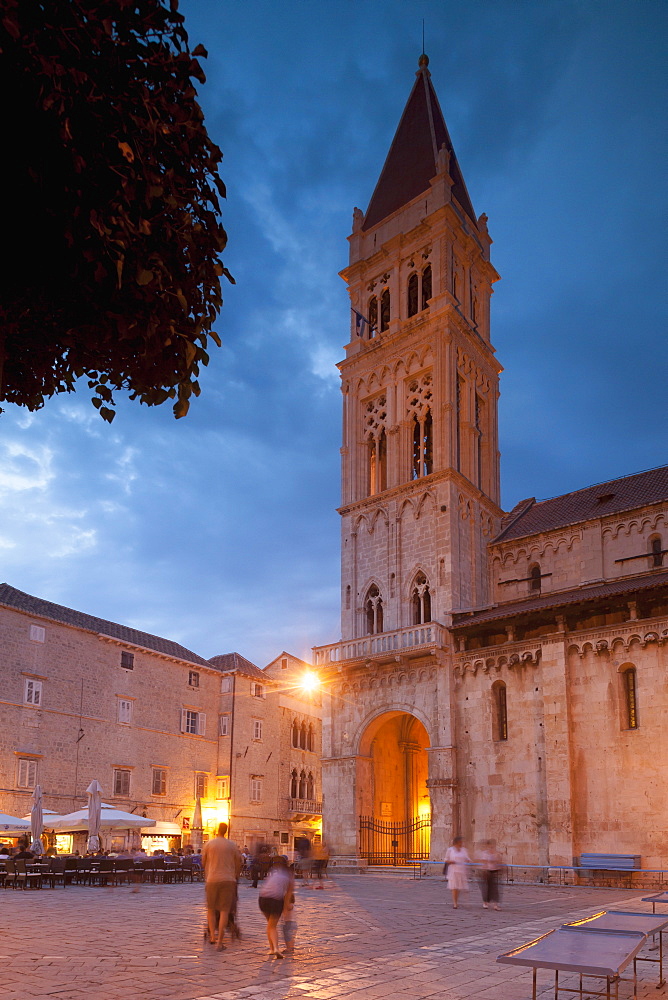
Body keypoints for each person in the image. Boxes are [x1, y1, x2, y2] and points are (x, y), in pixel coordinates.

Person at [201, 823, 241, 951]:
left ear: (217, 830)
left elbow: (203, 862)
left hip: (212, 879)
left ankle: (212, 936)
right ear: (227, 831)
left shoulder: (209, 844)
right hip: (228, 879)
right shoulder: (232, 845)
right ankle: (220, 942)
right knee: (224, 911)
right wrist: (235, 875)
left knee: (211, 909)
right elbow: (239, 863)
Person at [258, 855, 294, 959]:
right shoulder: (289, 875)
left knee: (270, 925)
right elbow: (288, 893)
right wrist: (286, 907)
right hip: (275, 900)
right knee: (272, 925)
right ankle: (276, 948)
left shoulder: (272, 873)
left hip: (263, 899)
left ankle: (271, 948)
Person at [443, 836, 471, 909]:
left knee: (459, 887)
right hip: (453, 870)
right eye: (460, 842)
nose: (461, 843)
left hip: (461, 870)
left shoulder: (464, 850)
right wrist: (451, 861)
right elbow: (446, 859)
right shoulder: (450, 850)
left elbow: (467, 858)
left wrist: (468, 860)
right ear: (456, 842)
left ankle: (457, 900)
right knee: (454, 887)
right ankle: (455, 903)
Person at [477, 839, 503, 910]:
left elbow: (499, 861)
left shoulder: (496, 853)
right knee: (486, 888)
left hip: (494, 871)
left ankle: (495, 904)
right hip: (487, 871)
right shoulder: (485, 853)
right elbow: (484, 862)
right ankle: (485, 902)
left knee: (495, 888)